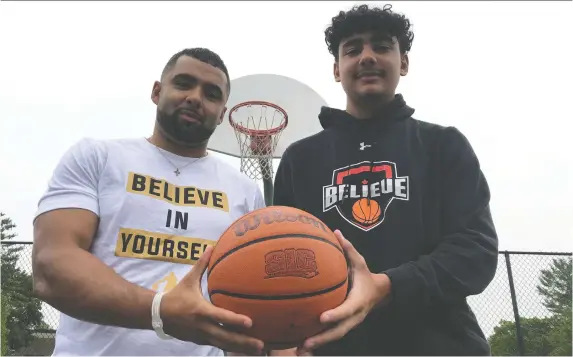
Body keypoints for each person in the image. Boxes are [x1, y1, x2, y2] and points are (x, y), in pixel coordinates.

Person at [273, 4, 499, 356]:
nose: (366, 57)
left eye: (381, 46)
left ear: (403, 63)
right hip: (332, 346)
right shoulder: (299, 160)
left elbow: (476, 252)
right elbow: (282, 260)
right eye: (353, 49)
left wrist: (388, 285)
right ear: (337, 69)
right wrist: (280, 341)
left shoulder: (443, 145)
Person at [32, 48, 268, 356]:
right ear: (157, 91)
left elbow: (254, 294)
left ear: (222, 113)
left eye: (211, 94)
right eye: (183, 83)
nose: (195, 97)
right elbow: (52, 266)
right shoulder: (98, 158)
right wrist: (161, 310)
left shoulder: (245, 192)